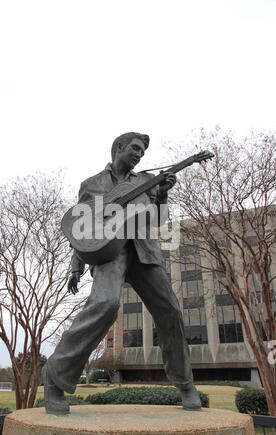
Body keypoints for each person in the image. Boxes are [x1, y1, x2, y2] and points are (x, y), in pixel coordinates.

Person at [42, 132, 201, 414]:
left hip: (143, 250)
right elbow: (82, 229)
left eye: (143, 152)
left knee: (171, 311)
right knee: (105, 304)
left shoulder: (145, 182)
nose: (140, 155)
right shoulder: (92, 184)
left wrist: (162, 194)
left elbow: (159, 220)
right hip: (108, 252)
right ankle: (55, 377)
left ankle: (185, 383)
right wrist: (76, 266)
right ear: (119, 148)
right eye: (135, 149)